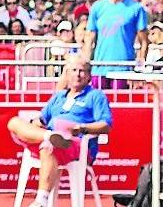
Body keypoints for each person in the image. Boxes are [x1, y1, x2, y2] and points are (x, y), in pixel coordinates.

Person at [6, 56, 112, 207]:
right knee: (14, 122)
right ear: (67, 74)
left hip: (75, 143)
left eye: (82, 71)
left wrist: (82, 128)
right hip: (48, 136)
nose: (77, 74)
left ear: (89, 76)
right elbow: (41, 120)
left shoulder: (95, 96)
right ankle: (50, 136)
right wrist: (34, 127)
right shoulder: (59, 96)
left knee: (48, 146)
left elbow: (106, 125)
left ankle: (41, 200)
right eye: (74, 70)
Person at [84, 0, 148, 88]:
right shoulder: (98, 7)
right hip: (99, 67)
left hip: (124, 68)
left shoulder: (136, 8)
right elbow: (89, 38)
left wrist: (139, 69)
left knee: (121, 105)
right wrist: (86, 64)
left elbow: (144, 41)